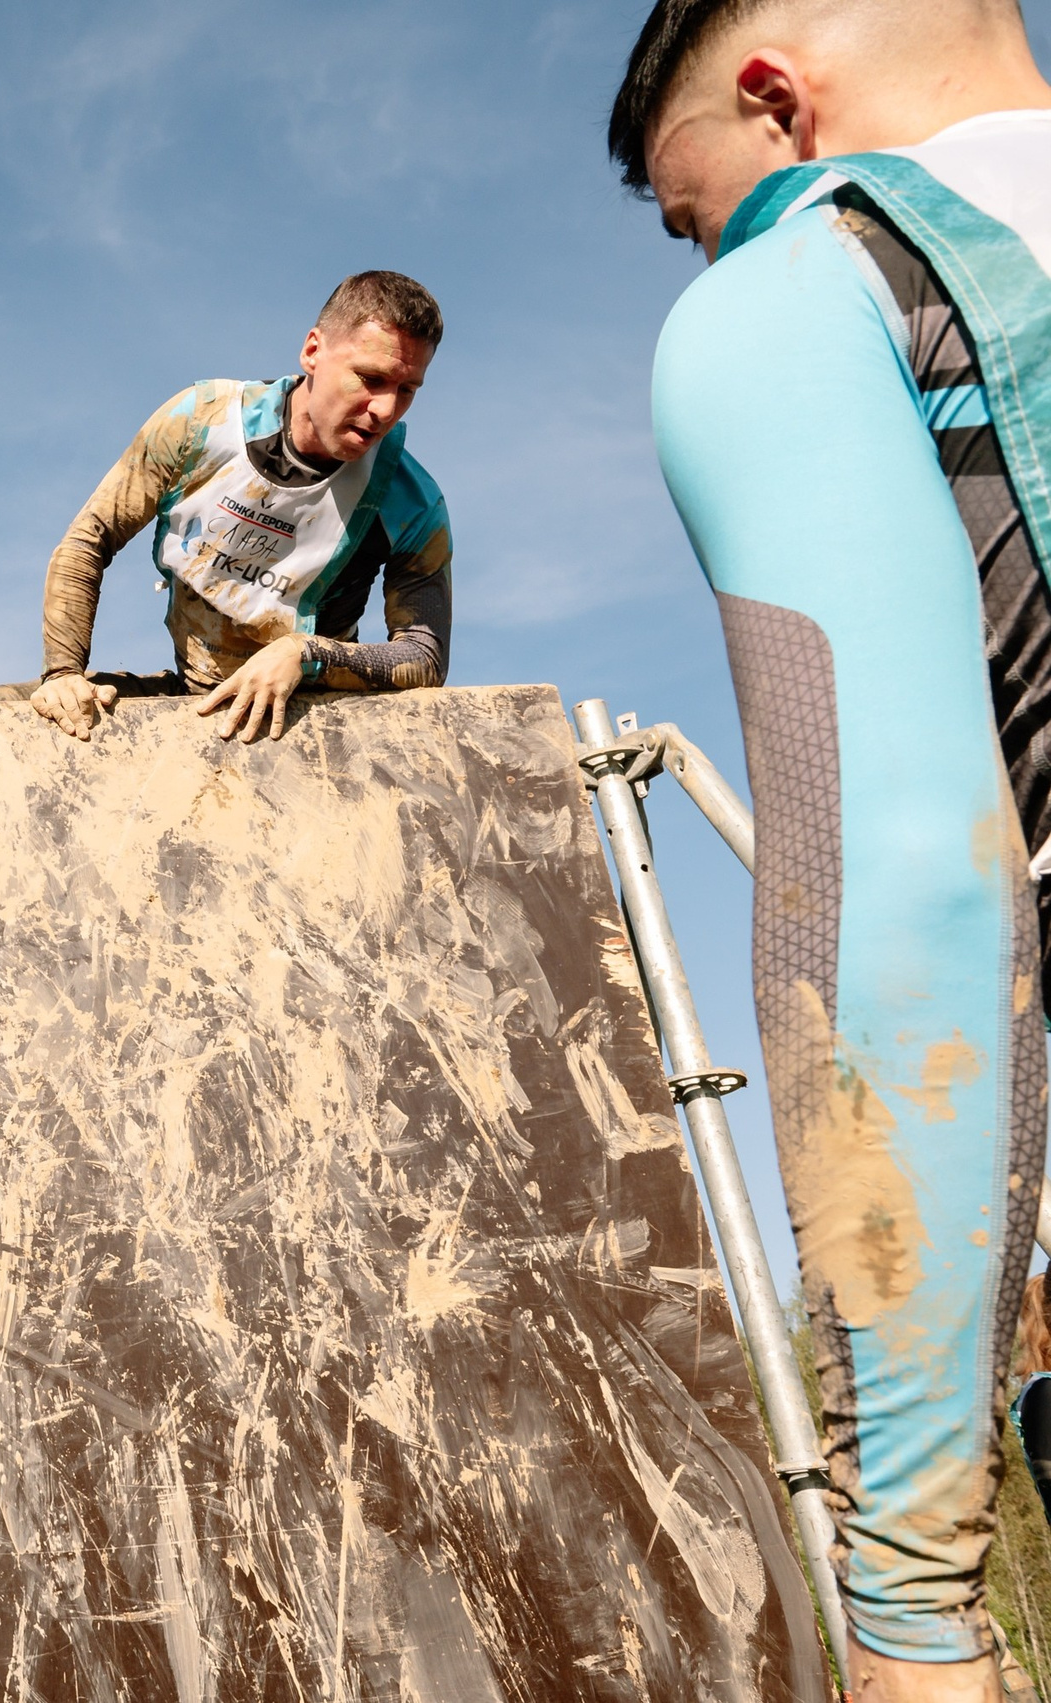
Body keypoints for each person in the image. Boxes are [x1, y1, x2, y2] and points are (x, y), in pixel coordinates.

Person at [612, 0, 1051, 1694]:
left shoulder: (820, 280)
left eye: (689, 213)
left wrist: (911, 1588)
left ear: (779, 102)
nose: (703, 254)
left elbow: (904, 881)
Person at [20, 270, 454, 743]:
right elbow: (89, 539)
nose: (386, 410)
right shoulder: (200, 423)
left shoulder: (411, 503)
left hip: (311, 716)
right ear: (313, 351)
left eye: (407, 389)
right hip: (193, 695)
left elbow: (424, 657)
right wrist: (63, 673)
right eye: (370, 379)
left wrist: (305, 653)